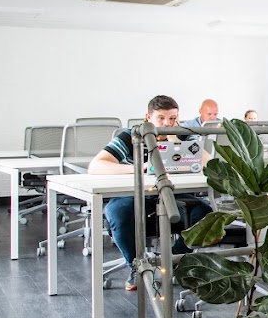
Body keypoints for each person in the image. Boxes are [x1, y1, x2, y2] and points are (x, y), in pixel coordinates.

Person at [88, 94, 214, 291]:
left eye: (172, 118)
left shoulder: (182, 134)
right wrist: (140, 167)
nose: (166, 123)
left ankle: (171, 260)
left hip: (173, 195)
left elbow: (207, 162)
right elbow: (95, 166)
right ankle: (136, 266)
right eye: (161, 118)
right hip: (134, 194)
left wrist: (174, 138)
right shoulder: (132, 136)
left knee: (204, 215)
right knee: (118, 213)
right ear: (148, 117)